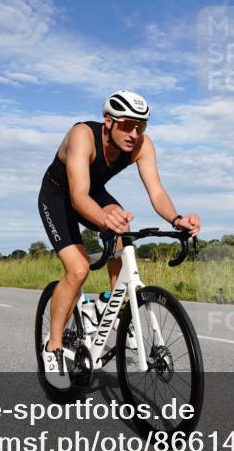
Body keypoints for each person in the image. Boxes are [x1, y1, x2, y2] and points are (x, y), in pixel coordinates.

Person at [37, 90, 200, 386]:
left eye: (141, 126)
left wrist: (177, 219)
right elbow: (77, 196)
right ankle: (54, 345)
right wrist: (104, 220)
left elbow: (157, 192)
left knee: (122, 231)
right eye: (127, 124)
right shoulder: (82, 136)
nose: (134, 133)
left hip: (93, 192)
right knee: (78, 269)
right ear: (108, 121)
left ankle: (119, 310)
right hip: (59, 195)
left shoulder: (141, 145)